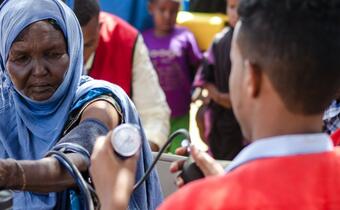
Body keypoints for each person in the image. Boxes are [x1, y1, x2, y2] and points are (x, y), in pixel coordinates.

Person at [91, 0, 340, 209]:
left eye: (234, 64)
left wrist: (113, 201)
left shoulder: (195, 203)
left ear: (251, 78)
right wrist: (225, 181)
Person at [0, 0, 162, 209]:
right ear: (4, 60)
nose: (39, 70)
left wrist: (9, 173)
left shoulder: (100, 100)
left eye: (53, 54)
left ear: (73, 50)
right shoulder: (5, 110)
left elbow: (80, 157)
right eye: (22, 58)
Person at [68, 0, 171, 151]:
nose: (79, 55)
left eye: (87, 45)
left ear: (99, 27)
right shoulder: (39, 41)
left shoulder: (126, 41)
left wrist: (140, 154)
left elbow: (154, 114)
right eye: (70, 45)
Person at [142, 0, 203, 153]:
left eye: (173, 12)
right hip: (152, 114)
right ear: (151, 8)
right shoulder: (143, 39)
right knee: (154, 154)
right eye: (162, 10)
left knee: (178, 154)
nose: (167, 16)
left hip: (180, 111)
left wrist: (198, 88)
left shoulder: (185, 36)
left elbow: (199, 65)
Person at [193, 0, 244, 160]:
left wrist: (237, 101)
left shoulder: (254, 43)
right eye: (232, 7)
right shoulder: (219, 41)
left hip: (242, 116)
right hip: (220, 113)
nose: (235, 13)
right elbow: (205, 77)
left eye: (240, 7)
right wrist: (219, 97)